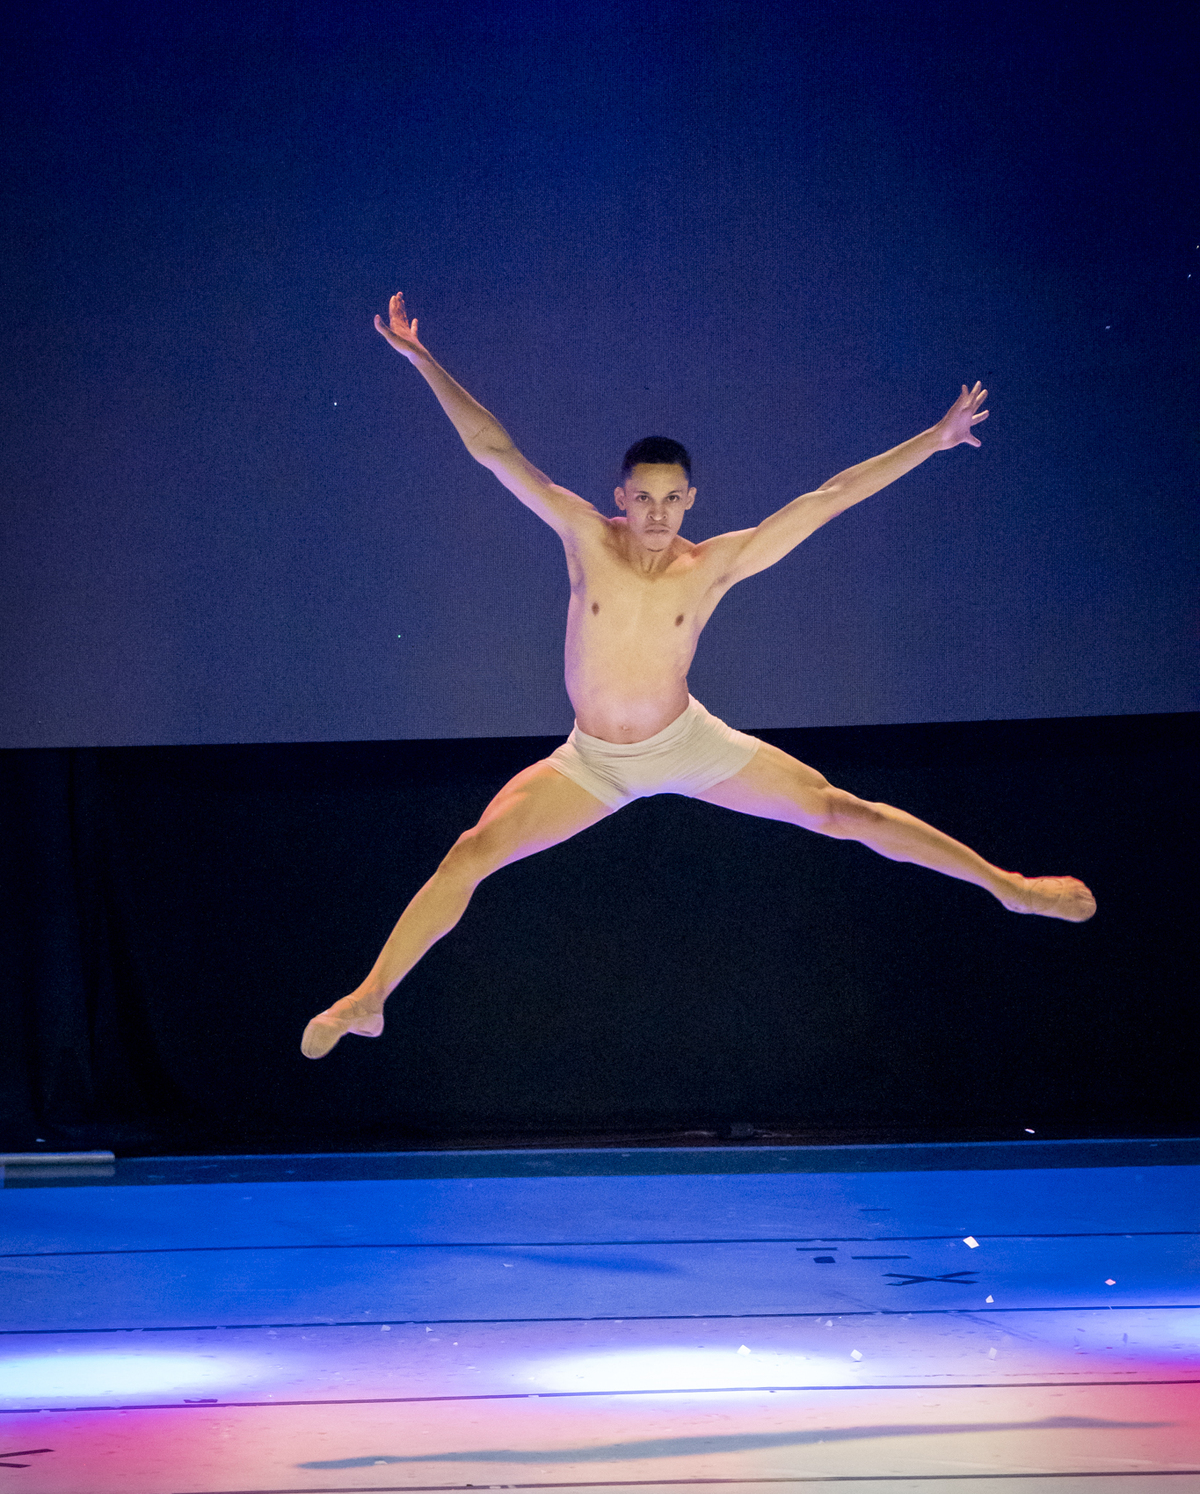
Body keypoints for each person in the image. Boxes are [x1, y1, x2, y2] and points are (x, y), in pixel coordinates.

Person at [301, 292, 1095, 1059]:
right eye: (643, 498)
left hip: (685, 743)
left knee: (839, 810)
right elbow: (493, 450)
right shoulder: (585, 536)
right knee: (472, 852)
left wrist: (935, 438)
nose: (656, 513)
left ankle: (1010, 886)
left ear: (690, 501)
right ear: (621, 496)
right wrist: (421, 357)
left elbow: (830, 498)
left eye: (671, 500)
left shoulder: (712, 565)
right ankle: (370, 998)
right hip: (592, 762)